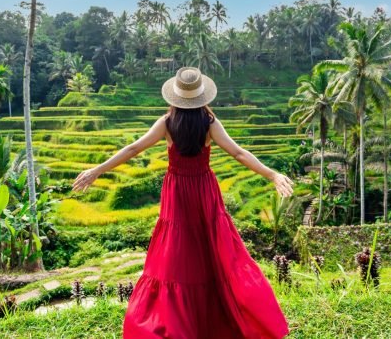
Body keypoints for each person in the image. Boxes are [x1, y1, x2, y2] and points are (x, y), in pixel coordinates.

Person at [73, 67, 292, 338]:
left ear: (175, 96)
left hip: (177, 191)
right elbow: (237, 152)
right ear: (202, 96)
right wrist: (272, 174)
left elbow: (134, 148)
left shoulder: (167, 122)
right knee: (210, 248)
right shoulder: (209, 122)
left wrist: (97, 170)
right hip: (203, 190)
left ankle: (178, 320)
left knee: (178, 254)